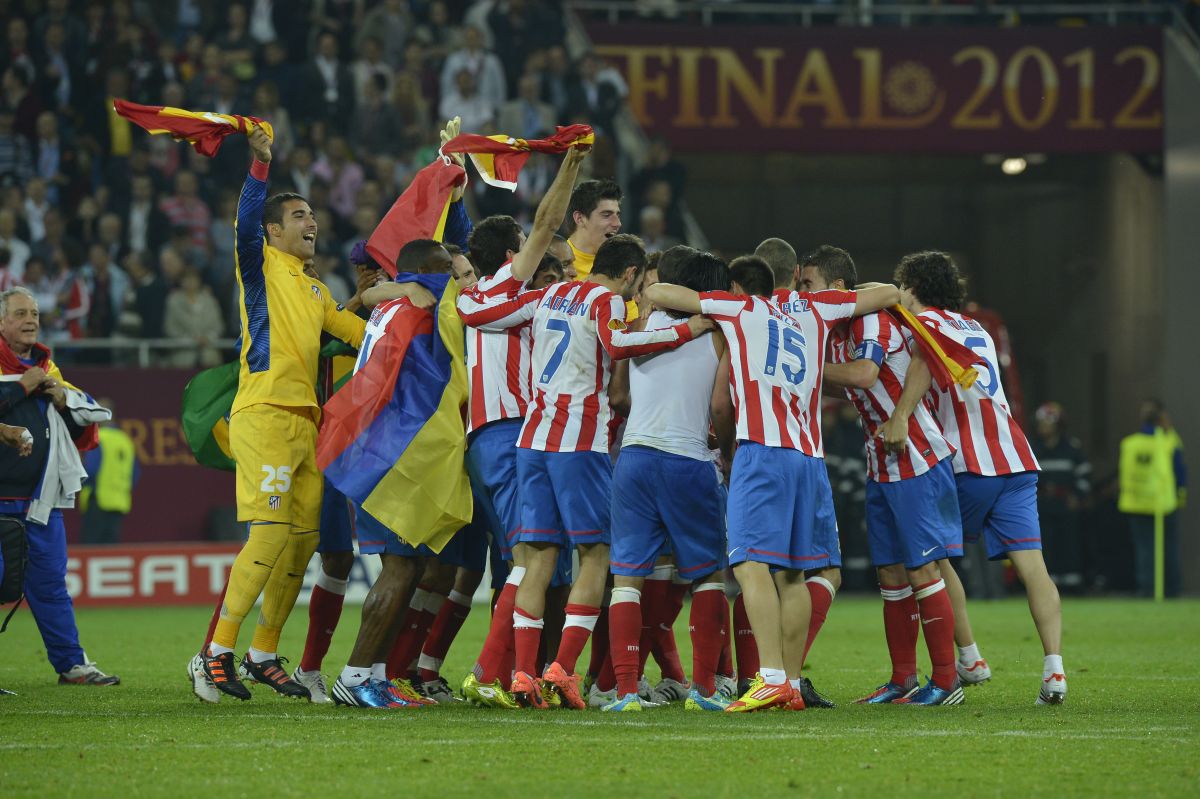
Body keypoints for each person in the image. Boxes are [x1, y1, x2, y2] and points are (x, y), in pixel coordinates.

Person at [460, 234, 711, 710]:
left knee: (536, 558)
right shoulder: (606, 300)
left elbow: (480, 314)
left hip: (532, 438)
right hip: (579, 442)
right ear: (632, 273)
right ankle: (563, 670)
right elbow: (619, 344)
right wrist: (688, 329)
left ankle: (521, 675)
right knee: (597, 555)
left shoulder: (550, 293)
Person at [644, 256, 900, 712]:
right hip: (809, 458)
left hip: (761, 451)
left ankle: (770, 678)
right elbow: (888, 293)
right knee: (796, 572)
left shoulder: (739, 309)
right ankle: (793, 683)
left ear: (743, 288)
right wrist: (839, 296)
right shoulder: (817, 307)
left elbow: (661, 293)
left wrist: (706, 309)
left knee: (748, 565)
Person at [191, 127, 365, 703]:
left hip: (305, 424)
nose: (311, 222)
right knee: (267, 535)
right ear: (272, 231)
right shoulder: (259, 265)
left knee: (300, 544)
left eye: (313, 214)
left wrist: (416, 311)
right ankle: (214, 653)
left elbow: (364, 337)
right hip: (263, 413)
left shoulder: (316, 292)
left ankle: (263, 652)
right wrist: (259, 167)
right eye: (299, 216)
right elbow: (242, 223)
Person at [885, 251, 1066, 705]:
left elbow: (923, 367)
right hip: (1015, 456)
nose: (898, 294)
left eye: (902, 286)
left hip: (968, 461)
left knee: (934, 557)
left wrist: (901, 417)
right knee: (1033, 567)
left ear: (915, 288)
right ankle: (1055, 669)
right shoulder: (975, 327)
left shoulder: (927, 325)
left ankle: (969, 657)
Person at [453, 146, 591, 709]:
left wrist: (455, 189)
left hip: (489, 438)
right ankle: (490, 672)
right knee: (531, 558)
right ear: (514, 256)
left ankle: (515, 672)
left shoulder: (478, 294)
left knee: (532, 559)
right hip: (512, 434)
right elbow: (547, 221)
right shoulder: (514, 289)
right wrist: (572, 165)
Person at [811, 246, 965, 706]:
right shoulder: (837, 329)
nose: (803, 294)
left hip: (914, 453)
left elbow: (863, 373)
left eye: (809, 284)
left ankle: (947, 679)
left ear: (836, 288)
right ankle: (903, 679)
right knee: (892, 574)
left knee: (922, 567)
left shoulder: (869, 318)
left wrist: (804, 369)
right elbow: (848, 381)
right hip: (882, 460)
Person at [603, 250, 734, 712]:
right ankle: (702, 690)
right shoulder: (719, 335)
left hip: (635, 458)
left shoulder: (640, 327)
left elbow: (617, 394)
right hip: (688, 460)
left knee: (627, 578)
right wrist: (729, 451)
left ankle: (624, 692)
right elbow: (721, 406)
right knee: (708, 577)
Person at [0, 286, 119, 686]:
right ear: (1, 323)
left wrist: (65, 403)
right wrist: (20, 386)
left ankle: (72, 665)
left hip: (39, 500)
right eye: (20, 314)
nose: (31, 320)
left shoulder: (49, 371)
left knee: (50, 586)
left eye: (34, 312)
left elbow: (74, 433)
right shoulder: (21, 372)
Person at [1119, 398, 1186, 598]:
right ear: (1162, 418)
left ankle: (1147, 589)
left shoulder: (1129, 444)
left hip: (1136, 503)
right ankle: (1172, 590)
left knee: (1145, 549)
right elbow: (1180, 472)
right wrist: (1180, 495)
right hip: (1164, 503)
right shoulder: (1168, 441)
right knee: (1169, 548)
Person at [1032, 402, 1091, 592]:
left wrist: (1078, 496)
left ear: (1058, 425)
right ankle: (1050, 586)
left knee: (1069, 544)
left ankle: (1072, 586)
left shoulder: (1072, 448)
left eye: (1046, 423)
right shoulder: (1033, 448)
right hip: (1043, 505)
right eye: (1040, 423)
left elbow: (1084, 474)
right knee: (1046, 545)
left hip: (1066, 505)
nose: (1043, 427)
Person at [80, 399, 139, 545]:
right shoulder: (125, 440)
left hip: (98, 500)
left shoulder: (99, 438)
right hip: (119, 502)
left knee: (92, 551)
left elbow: (91, 470)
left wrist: (79, 482)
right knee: (110, 549)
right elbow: (135, 474)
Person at [566, 179, 622, 281]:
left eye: (618, 215)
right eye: (606, 215)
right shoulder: (557, 267)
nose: (617, 223)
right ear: (580, 218)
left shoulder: (623, 267)